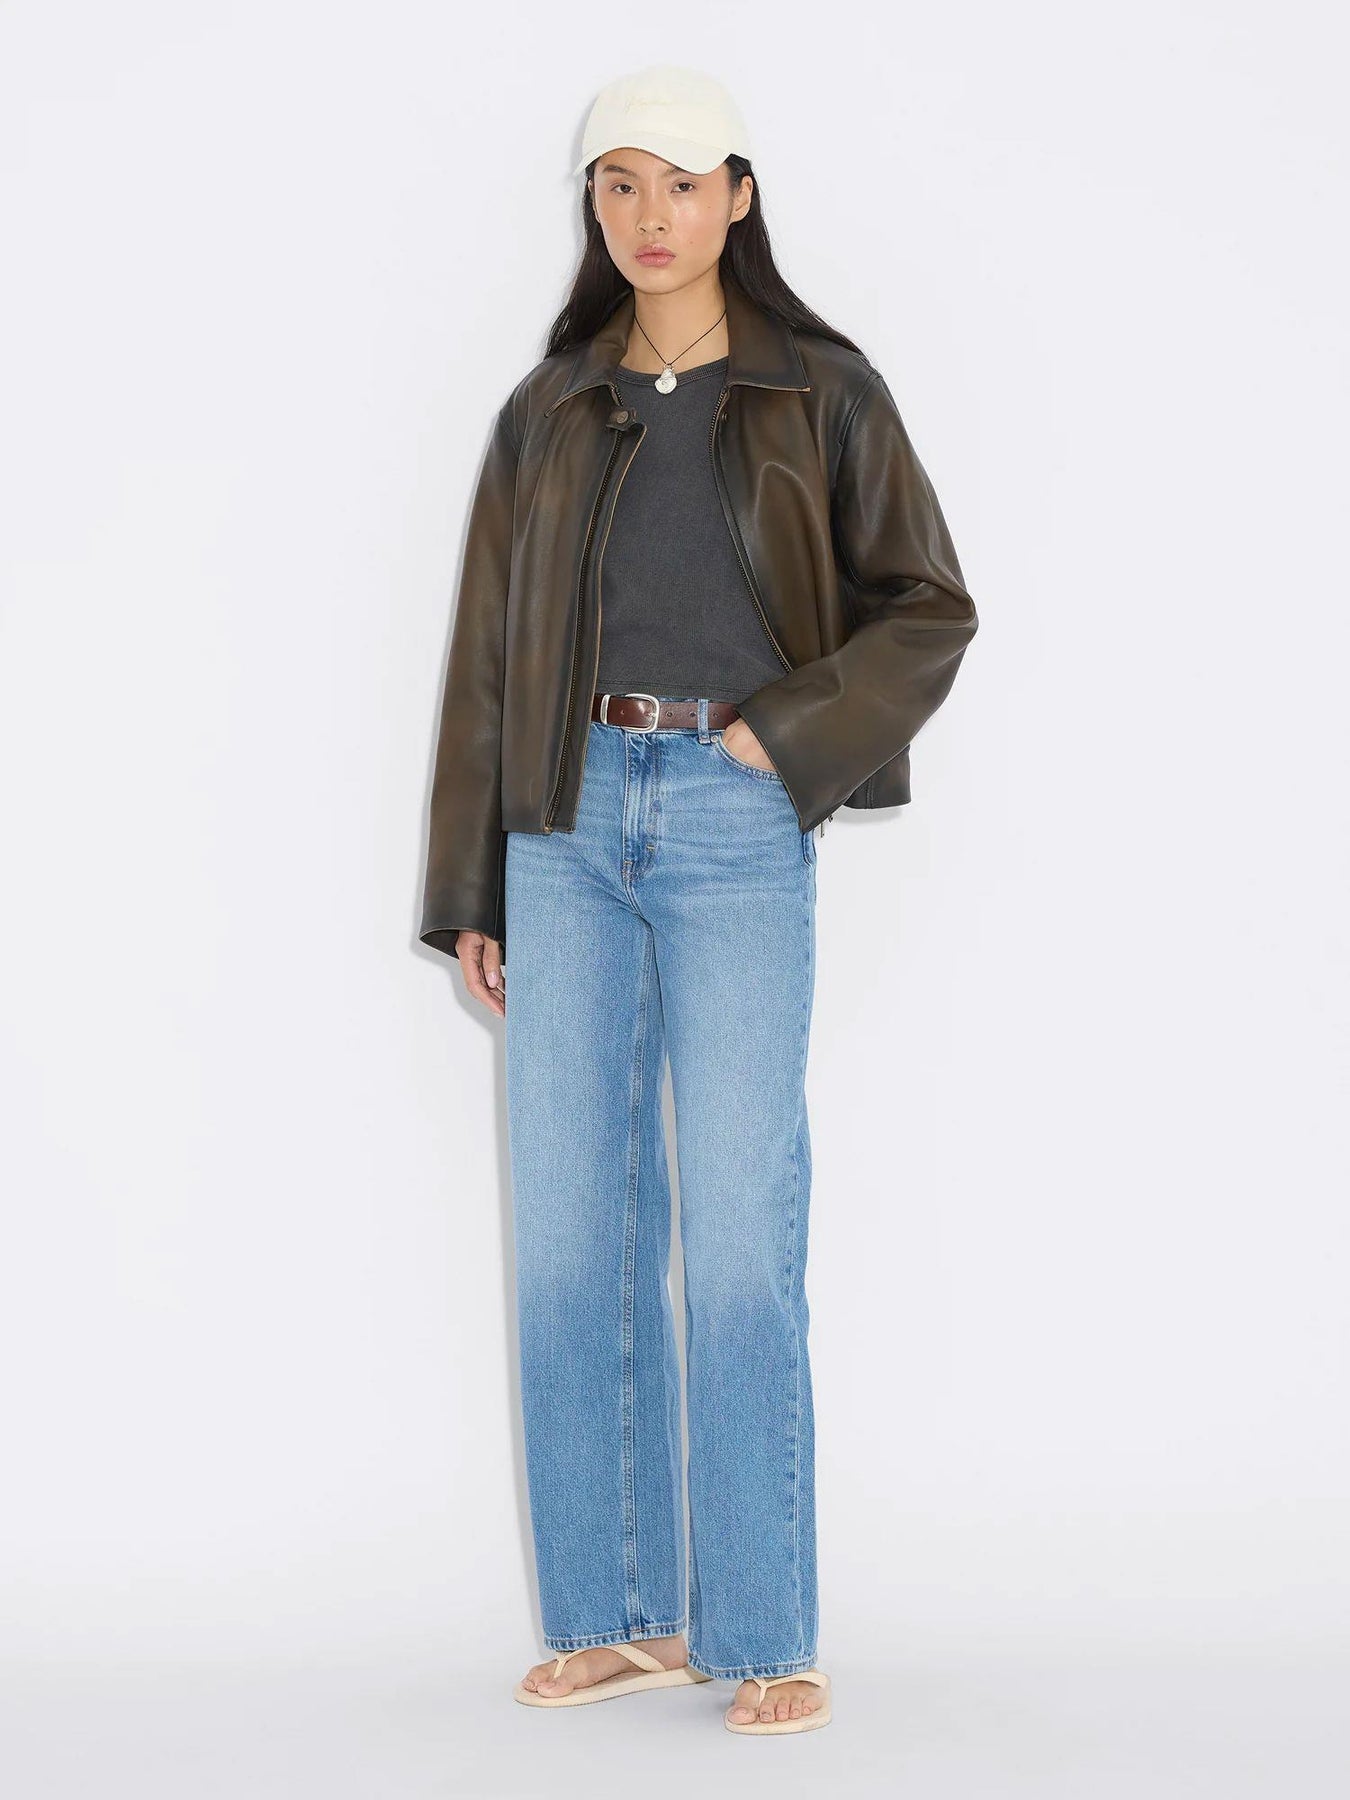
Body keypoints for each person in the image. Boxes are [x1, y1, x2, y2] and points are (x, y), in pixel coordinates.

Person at [419, 64, 978, 1737]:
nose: (648, 216)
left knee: (737, 1231)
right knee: (569, 1239)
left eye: (678, 183)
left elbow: (926, 607)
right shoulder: (551, 408)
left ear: (737, 195)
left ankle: (765, 1628)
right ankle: (618, 1619)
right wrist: (474, 881)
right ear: (592, 207)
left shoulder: (822, 392)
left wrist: (775, 734)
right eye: (617, 185)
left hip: (734, 820)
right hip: (562, 825)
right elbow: (484, 661)